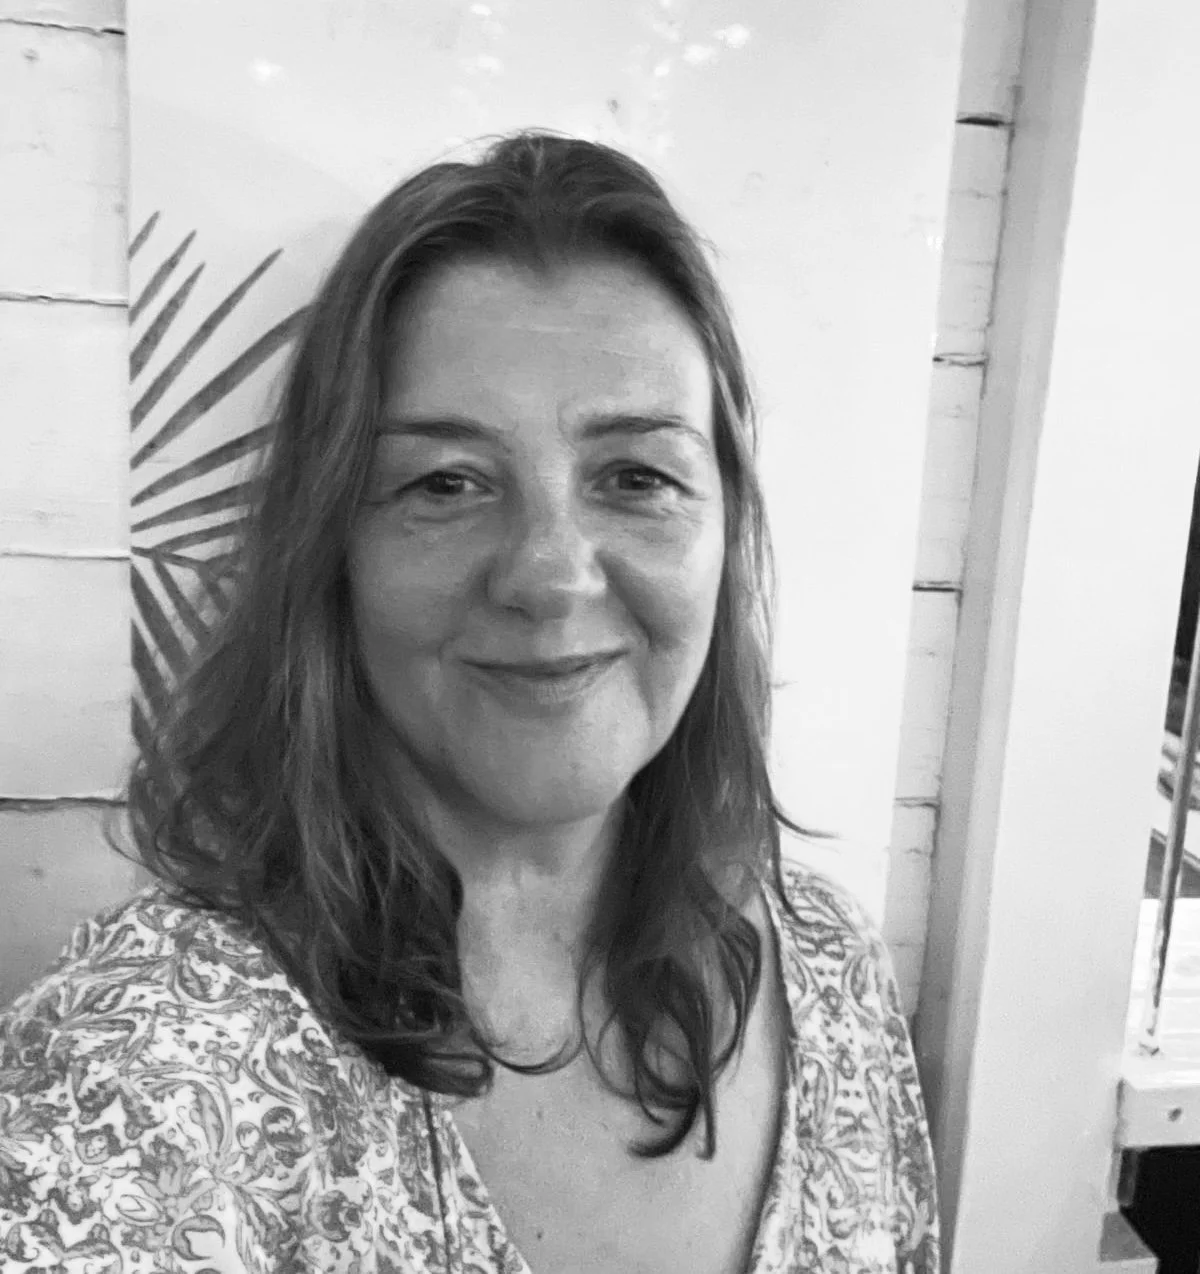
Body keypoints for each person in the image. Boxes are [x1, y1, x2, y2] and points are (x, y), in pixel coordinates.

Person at [0, 131, 939, 1273]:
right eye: (446, 482)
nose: (550, 574)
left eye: (637, 475)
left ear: (727, 533)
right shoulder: (146, 1073)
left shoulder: (832, 972)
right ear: (330, 547)